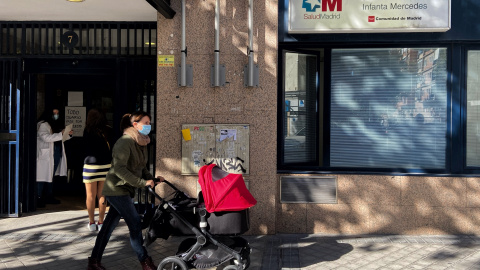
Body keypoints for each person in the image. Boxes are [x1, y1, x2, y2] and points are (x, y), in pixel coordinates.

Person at [87, 111, 164, 270]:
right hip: (116, 189)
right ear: (135, 125)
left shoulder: (141, 142)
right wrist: (142, 183)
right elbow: (120, 170)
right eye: (146, 122)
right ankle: (145, 261)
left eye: (150, 122)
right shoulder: (125, 142)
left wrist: (153, 179)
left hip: (125, 190)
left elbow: (141, 167)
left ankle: (94, 261)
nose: (149, 125)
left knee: (107, 228)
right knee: (135, 223)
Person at [83, 108, 113, 232]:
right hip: (105, 166)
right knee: (102, 195)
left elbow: (84, 147)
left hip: (90, 166)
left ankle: (91, 223)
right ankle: (101, 222)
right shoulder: (107, 130)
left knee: (90, 196)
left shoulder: (87, 131)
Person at [36, 108, 73, 208]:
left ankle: (49, 195)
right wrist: (61, 134)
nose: (56, 115)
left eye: (58, 113)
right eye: (54, 113)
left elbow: (58, 137)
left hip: (55, 152)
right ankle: (39, 197)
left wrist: (67, 134)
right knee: (42, 177)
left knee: (50, 175)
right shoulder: (43, 124)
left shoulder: (54, 124)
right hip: (46, 155)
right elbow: (46, 138)